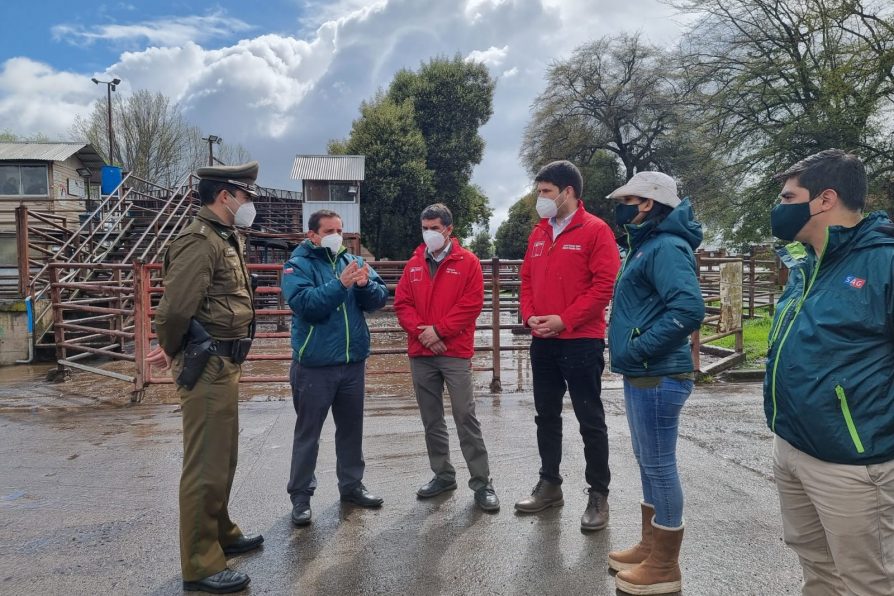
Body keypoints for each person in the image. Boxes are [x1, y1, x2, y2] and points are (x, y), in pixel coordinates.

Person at [763, 149, 894, 594]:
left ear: (824, 200)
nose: (779, 207)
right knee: (817, 568)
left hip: (855, 464)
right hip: (793, 445)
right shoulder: (806, 266)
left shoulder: (884, 263)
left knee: (867, 581)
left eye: (787, 196)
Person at [147, 161, 264, 594]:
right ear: (225, 196)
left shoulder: (224, 237)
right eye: (246, 196)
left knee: (224, 458)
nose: (249, 204)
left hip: (223, 363)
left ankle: (220, 533)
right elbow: (174, 311)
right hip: (208, 363)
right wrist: (177, 351)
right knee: (205, 467)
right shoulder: (199, 240)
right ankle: (200, 563)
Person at [605, 172, 705, 595]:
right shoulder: (645, 245)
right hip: (644, 371)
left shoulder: (665, 247)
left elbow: (688, 308)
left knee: (660, 465)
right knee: (648, 460)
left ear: (646, 203)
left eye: (625, 200)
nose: (620, 208)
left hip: (658, 373)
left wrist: (640, 348)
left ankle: (665, 565)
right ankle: (650, 546)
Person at [515, 160, 620, 531]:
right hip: (543, 341)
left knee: (590, 420)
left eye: (545, 192)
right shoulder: (539, 233)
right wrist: (530, 316)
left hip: (581, 341)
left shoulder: (595, 231)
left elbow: (603, 286)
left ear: (568, 192)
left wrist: (566, 319)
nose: (540, 199)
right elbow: (526, 278)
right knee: (546, 416)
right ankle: (550, 484)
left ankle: (598, 493)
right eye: (539, 191)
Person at [282, 209, 389, 527]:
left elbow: (379, 299)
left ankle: (352, 486)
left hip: (352, 364)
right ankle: (301, 497)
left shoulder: (350, 260)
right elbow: (306, 305)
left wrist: (365, 285)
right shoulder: (296, 265)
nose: (336, 235)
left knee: (351, 430)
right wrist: (341, 285)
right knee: (308, 434)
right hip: (314, 365)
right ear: (312, 234)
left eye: (340, 230)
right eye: (330, 230)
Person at [393, 203, 499, 512]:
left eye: (434, 228)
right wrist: (423, 333)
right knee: (431, 419)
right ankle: (443, 475)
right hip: (421, 352)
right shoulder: (413, 264)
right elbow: (402, 304)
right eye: (425, 228)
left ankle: (482, 482)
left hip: (453, 351)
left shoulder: (468, 263)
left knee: (465, 416)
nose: (429, 233)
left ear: (449, 229)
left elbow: (471, 305)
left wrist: (438, 332)